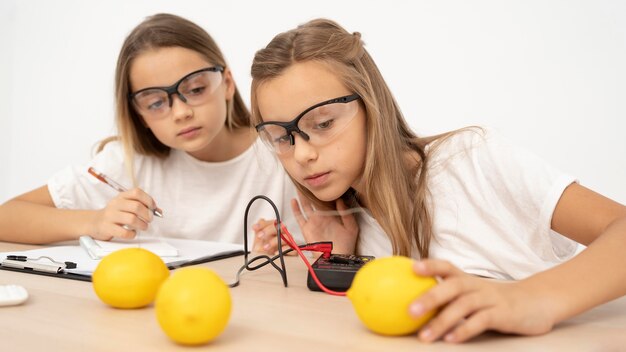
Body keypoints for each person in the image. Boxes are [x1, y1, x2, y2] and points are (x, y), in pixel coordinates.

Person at [249, 18, 626, 343]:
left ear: (370, 104)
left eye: (324, 124)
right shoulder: (353, 218)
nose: (301, 155)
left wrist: (531, 298)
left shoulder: (472, 158)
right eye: (282, 137)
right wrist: (342, 256)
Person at [0, 13, 300, 249]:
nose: (181, 112)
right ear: (139, 114)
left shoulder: (282, 151)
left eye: (196, 89)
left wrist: (294, 248)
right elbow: (6, 217)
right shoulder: (127, 162)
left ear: (227, 84)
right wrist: (95, 221)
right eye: (156, 103)